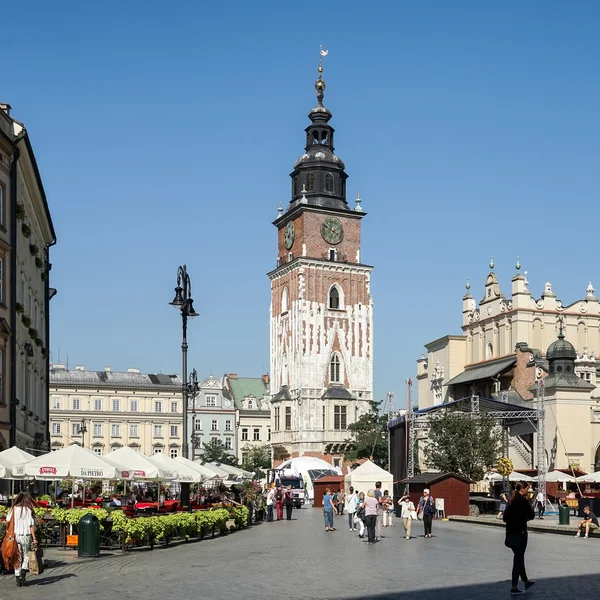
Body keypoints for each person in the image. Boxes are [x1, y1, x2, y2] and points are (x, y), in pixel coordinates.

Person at [503, 481, 536, 595]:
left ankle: (526, 581)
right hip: (520, 534)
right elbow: (532, 515)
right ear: (523, 490)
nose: (528, 491)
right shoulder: (522, 501)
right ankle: (514, 586)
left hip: (510, 533)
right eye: (527, 489)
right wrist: (528, 501)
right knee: (518, 559)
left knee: (519, 557)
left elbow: (505, 518)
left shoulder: (511, 500)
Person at [7, 491, 37, 587]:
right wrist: (34, 538)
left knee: (17, 557)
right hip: (26, 536)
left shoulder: (14, 509)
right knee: (26, 555)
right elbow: (31, 525)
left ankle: (17, 577)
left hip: (15, 536)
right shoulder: (28, 510)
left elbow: (7, 521)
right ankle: (22, 575)